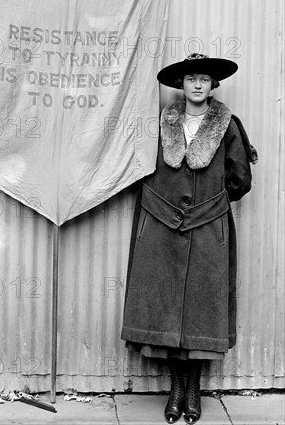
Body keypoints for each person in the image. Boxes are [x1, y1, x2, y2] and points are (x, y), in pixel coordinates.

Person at [121, 53, 257, 424]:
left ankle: (192, 392)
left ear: (213, 85)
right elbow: (136, 168)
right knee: (165, 308)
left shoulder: (227, 126)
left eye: (204, 79)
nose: (197, 85)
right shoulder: (160, 124)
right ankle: (175, 392)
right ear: (180, 85)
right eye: (190, 79)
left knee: (199, 312)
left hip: (208, 228)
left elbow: (240, 180)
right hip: (161, 225)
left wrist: (209, 205)